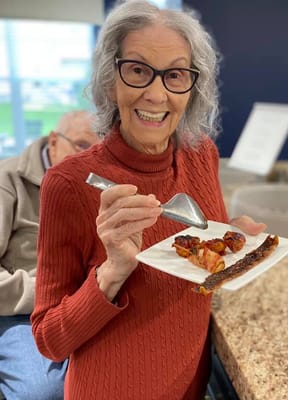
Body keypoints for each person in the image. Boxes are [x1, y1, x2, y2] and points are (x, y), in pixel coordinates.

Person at [31, 1, 266, 399]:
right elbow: (49, 340)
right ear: (111, 80)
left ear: (193, 88)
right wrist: (113, 271)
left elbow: (204, 276)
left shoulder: (201, 154)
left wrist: (232, 244)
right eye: (138, 70)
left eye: (175, 75)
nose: (156, 94)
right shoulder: (68, 183)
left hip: (191, 383)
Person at [0, 110, 100, 400]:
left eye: (99, 151)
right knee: (43, 393)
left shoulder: (97, 183)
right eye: (82, 145)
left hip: (85, 303)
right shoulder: (8, 182)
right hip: (22, 311)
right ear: (54, 141)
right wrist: (45, 294)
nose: (90, 158)